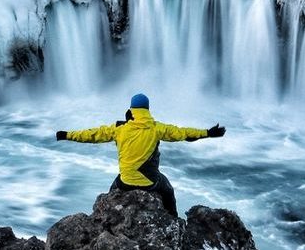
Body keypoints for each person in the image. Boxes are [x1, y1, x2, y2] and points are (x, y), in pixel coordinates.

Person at [55, 93, 226, 217]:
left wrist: (67, 135)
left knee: (114, 186)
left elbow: (91, 135)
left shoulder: (118, 129)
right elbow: (183, 134)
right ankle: (173, 218)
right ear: (147, 110)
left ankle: (105, 212)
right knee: (167, 189)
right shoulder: (156, 128)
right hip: (150, 183)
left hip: (125, 183)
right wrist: (207, 133)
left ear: (131, 110)